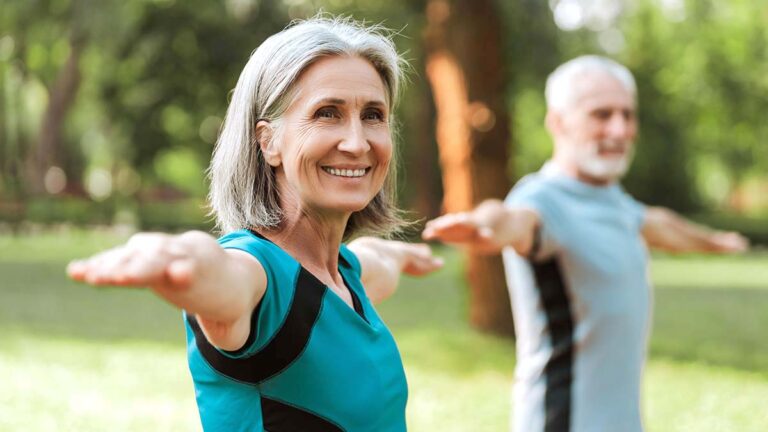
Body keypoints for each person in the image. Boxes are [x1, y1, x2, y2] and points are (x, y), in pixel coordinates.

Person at [68, 17, 443, 432]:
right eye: (327, 113)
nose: (356, 142)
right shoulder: (260, 277)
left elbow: (375, 261)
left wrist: (403, 254)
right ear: (269, 142)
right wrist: (183, 258)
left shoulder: (345, 274)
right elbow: (221, 274)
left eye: (373, 115)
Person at [422, 55, 748, 432]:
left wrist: (717, 242)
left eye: (628, 115)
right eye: (601, 114)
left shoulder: (611, 199)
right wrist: (482, 225)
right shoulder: (543, 200)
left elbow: (659, 224)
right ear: (558, 122)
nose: (620, 129)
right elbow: (509, 219)